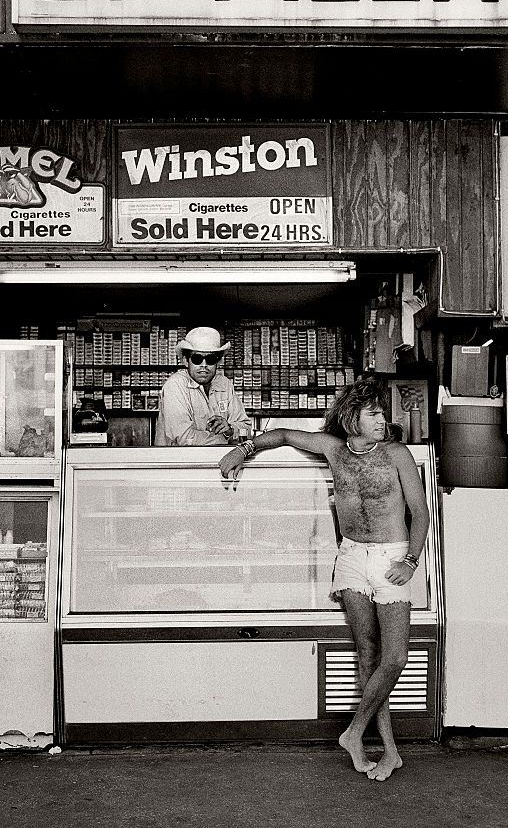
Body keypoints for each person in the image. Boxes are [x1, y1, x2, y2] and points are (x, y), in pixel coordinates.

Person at [218, 377, 429, 781]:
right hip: (351, 557)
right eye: (374, 414)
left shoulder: (397, 453)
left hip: (392, 557)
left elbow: (420, 513)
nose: (383, 420)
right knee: (368, 652)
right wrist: (242, 450)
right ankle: (388, 750)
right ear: (352, 419)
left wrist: (411, 561)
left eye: (382, 413)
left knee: (395, 657)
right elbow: (280, 434)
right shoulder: (334, 448)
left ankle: (353, 733)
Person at [155, 326, 251, 446]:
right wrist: (226, 438)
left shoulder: (225, 384)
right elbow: (184, 438)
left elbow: (246, 428)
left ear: (218, 362)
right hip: (179, 461)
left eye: (210, 359)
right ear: (185, 361)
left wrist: (230, 429)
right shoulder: (175, 385)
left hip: (218, 460)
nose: (204, 365)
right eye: (197, 359)